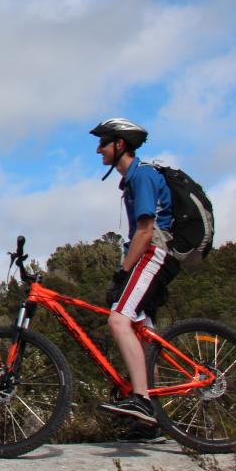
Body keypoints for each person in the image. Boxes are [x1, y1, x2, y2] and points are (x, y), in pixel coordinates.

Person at [90, 118, 175, 438]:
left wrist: (123, 272)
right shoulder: (135, 178)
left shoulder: (142, 176)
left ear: (119, 145)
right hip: (149, 254)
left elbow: (144, 230)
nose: (99, 149)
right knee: (141, 334)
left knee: (117, 322)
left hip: (151, 253)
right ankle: (152, 419)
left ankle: (141, 400)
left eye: (103, 143)